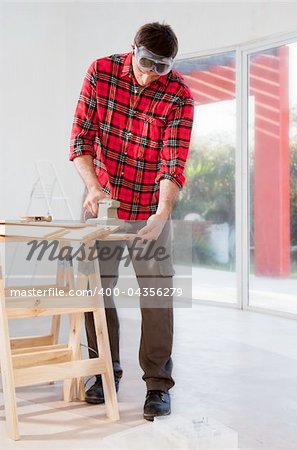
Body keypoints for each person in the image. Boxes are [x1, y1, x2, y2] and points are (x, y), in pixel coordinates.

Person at [69, 22, 194, 421]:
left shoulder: (179, 96)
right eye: (144, 62)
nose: (149, 74)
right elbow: (80, 139)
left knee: (157, 297)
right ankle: (104, 372)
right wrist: (92, 188)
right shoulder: (101, 72)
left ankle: (157, 384)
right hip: (102, 199)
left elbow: (173, 162)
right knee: (96, 291)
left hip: (149, 208)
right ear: (132, 49)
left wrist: (161, 214)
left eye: (161, 67)